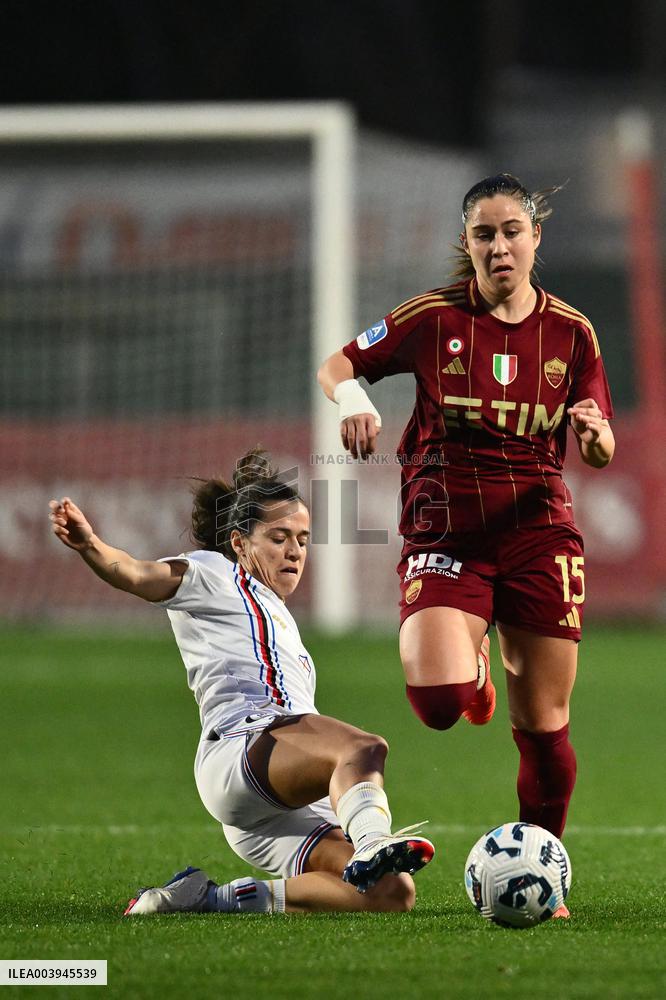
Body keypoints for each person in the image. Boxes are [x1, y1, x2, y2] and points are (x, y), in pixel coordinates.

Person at [317, 173, 615, 917]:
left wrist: (595, 435)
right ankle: (473, 665)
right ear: (467, 242)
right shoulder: (433, 318)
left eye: (512, 230)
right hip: (445, 530)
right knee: (442, 702)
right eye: (484, 234)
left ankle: (545, 879)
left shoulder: (572, 333)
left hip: (539, 534)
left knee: (544, 726)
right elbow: (338, 366)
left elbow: (601, 441)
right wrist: (355, 402)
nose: (499, 246)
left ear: (535, 238)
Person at [48, 449, 434, 917]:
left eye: (304, 540)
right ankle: (373, 839)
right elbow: (136, 573)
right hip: (241, 752)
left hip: (271, 807)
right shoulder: (214, 574)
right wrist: (91, 545)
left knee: (391, 893)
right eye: (279, 537)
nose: (294, 551)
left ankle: (207, 898)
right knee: (363, 749)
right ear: (239, 542)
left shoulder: (283, 624)